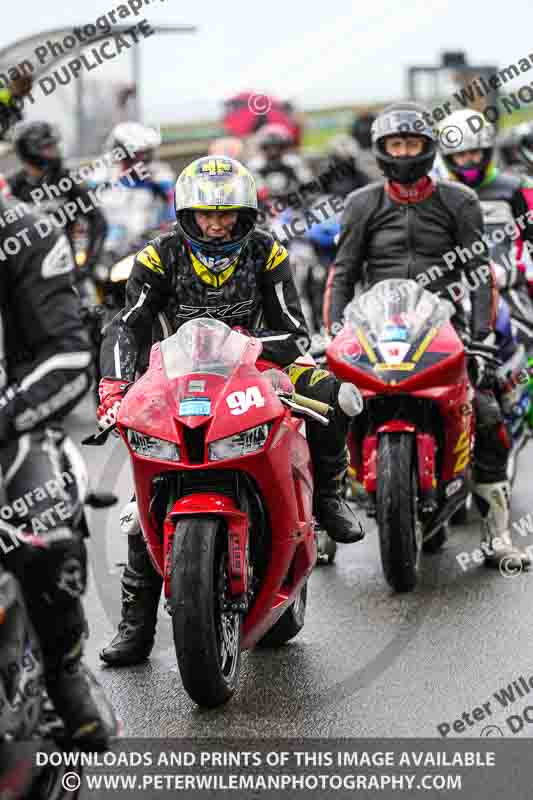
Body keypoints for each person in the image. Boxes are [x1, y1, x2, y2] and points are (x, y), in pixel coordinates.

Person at [97, 156, 365, 666]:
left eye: (227, 214)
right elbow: (126, 326)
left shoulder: (267, 251)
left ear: (245, 214)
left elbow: (294, 330)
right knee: (144, 499)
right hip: (175, 372)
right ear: (186, 214)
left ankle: (329, 496)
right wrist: (115, 387)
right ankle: (136, 628)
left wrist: (247, 342)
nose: (216, 224)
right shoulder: (158, 257)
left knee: (332, 392)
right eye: (205, 214)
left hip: (259, 365)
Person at [325, 101, 530, 571]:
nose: (403, 152)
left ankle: (496, 532)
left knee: (487, 408)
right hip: (374, 323)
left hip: (444, 322)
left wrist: (480, 342)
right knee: (328, 415)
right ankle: (323, 528)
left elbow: (481, 276)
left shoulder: (461, 201)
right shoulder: (361, 203)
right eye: (395, 144)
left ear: (427, 148)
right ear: (381, 151)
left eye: (411, 143)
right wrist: (334, 335)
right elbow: (343, 274)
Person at [0, 191, 111, 750]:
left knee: (45, 532)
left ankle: (64, 671)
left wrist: (7, 416)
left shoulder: (23, 230)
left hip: (8, 431)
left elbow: (69, 357)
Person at [438, 109, 533, 347]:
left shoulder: (516, 188)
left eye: (474, 152)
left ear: (487, 150)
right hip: (455, 291)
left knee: (524, 337)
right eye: (461, 155)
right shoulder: (437, 194)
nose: (468, 160)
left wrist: (517, 273)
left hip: (509, 288)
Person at [9, 121, 108, 276]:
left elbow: (98, 222)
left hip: (64, 273)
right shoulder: (13, 187)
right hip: (24, 275)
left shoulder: (68, 182)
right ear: (28, 151)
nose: (55, 152)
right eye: (48, 147)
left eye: (55, 146)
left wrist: (87, 266)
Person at [103, 121, 176, 227]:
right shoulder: (104, 180)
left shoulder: (160, 179)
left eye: (145, 153)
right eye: (138, 154)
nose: (142, 158)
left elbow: (173, 211)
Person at [248, 123, 314, 208]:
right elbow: (252, 191)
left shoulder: (294, 162)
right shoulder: (255, 165)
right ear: (262, 147)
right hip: (265, 208)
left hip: (295, 207)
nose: (273, 151)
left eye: (277, 147)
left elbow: (308, 183)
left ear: (284, 146)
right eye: (268, 147)